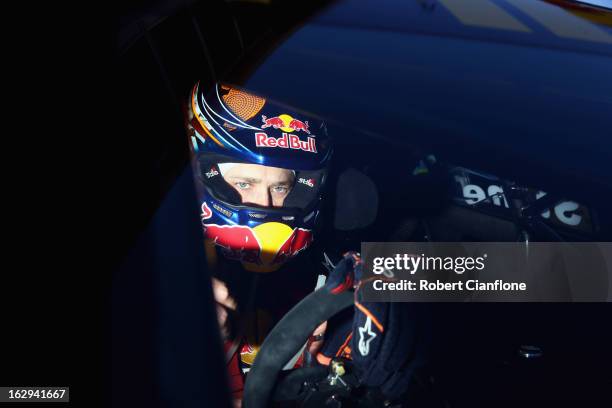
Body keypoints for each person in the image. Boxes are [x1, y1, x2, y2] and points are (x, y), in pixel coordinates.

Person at [185, 82, 427, 406]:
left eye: (281, 187)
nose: (267, 205)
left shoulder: (332, 260)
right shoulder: (164, 274)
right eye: (244, 183)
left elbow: (496, 274)